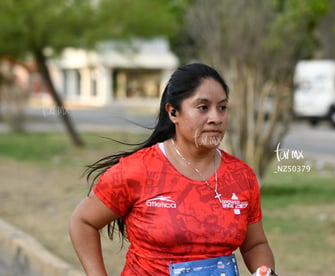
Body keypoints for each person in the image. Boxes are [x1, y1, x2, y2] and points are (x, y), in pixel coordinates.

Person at [69, 63, 277, 276]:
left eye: (222, 107)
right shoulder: (137, 170)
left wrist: (265, 272)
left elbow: (255, 245)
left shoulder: (241, 176)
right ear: (173, 112)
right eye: (203, 107)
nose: (216, 118)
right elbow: (83, 221)